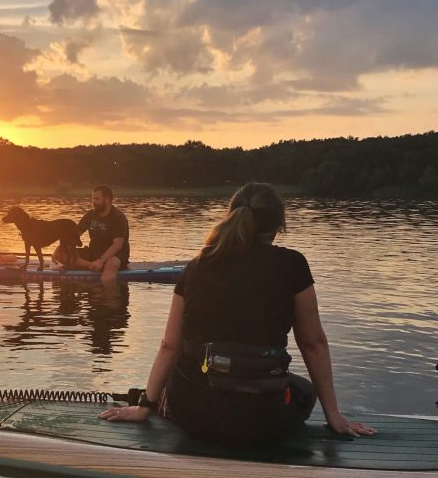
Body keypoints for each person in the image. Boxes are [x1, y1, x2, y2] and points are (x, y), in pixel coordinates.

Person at [99, 182, 376, 446]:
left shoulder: (197, 266)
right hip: (264, 421)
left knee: (185, 379)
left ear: (232, 217)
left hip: (195, 416)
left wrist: (145, 406)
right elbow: (313, 343)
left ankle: (162, 404)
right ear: (279, 225)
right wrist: (334, 416)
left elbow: (170, 345)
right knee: (303, 390)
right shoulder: (293, 265)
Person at [54, 185, 129, 281]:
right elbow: (75, 234)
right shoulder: (90, 214)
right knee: (62, 253)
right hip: (94, 251)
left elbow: (117, 245)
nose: (93, 202)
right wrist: (61, 248)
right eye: (93, 199)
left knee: (112, 264)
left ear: (107, 200)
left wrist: (101, 260)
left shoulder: (118, 217)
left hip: (116, 255)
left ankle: (108, 291)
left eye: (97, 199)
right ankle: (92, 266)